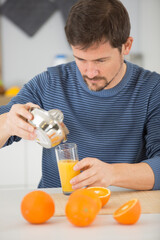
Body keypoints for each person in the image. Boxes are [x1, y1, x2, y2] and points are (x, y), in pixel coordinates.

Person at [0, 0, 160, 191]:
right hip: (56, 207)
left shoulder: (152, 89)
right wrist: (8, 123)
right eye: (81, 59)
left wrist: (113, 173)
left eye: (101, 60)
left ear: (126, 46)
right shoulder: (49, 83)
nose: (90, 72)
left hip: (123, 208)